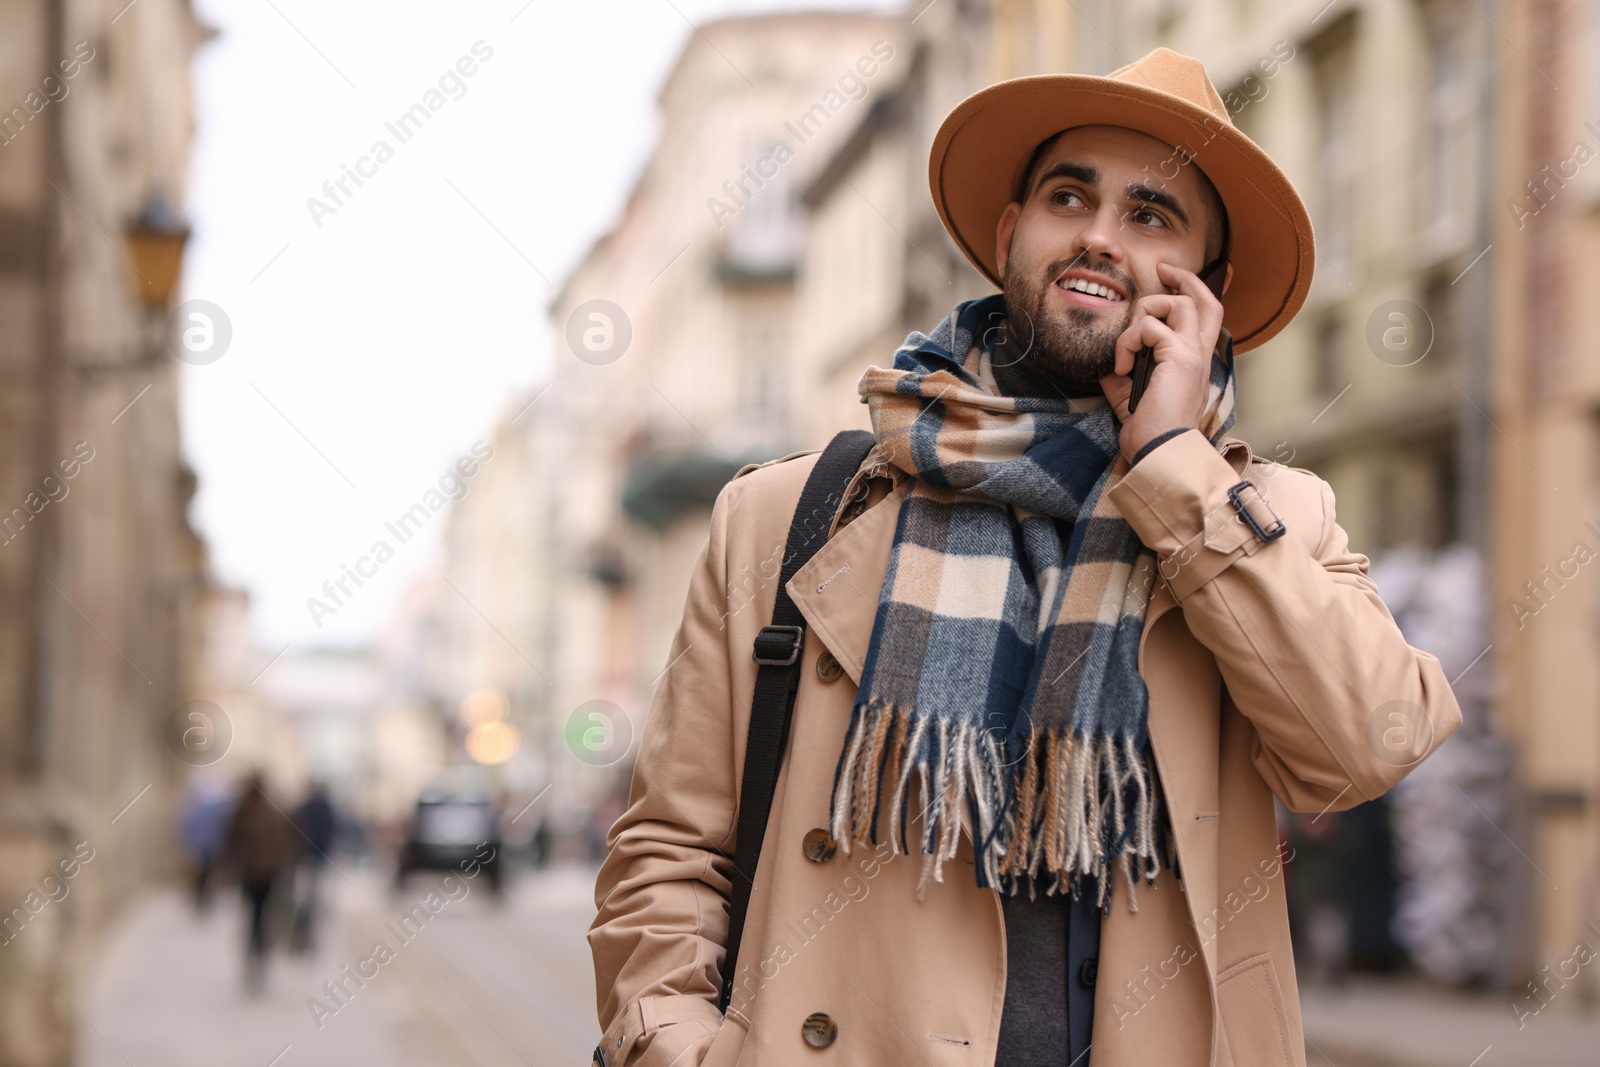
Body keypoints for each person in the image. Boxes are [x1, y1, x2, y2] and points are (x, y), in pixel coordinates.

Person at [588, 48, 1463, 1066]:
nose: (1098, 234)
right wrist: (681, 1046)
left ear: (1205, 292)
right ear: (1011, 233)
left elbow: (1361, 747)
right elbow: (668, 851)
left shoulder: (1267, 520)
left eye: (1151, 215)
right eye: (1068, 195)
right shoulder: (790, 513)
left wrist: (1177, 469)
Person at [221, 771, 295, 994]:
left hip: (261, 875)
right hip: (258, 875)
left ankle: (258, 953)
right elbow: (232, 844)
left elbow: (284, 844)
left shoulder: (252, 813)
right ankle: (256, 953)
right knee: (257, 916)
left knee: (259, 916)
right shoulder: (252, 813)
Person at [289, 781, 337, 954]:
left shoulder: (310, 808)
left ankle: (303, 930)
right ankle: (302, 930)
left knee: (308, 896)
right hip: (311, 858)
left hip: (311, 858)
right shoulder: (323, 809)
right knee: (309, 897)